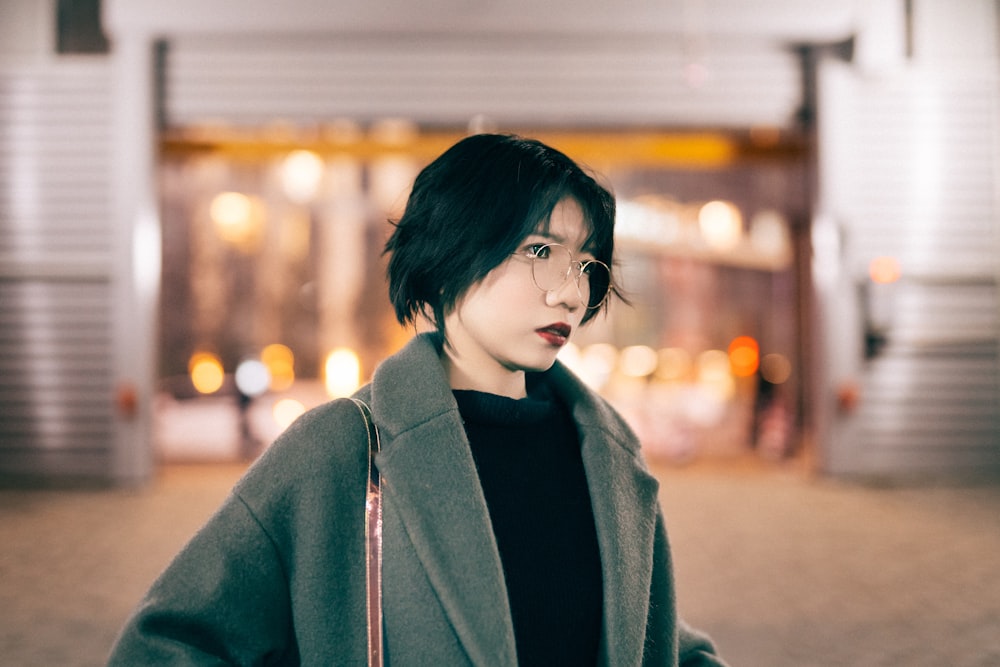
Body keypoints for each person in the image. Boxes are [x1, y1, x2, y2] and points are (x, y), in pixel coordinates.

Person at [107, 133, 728, 666]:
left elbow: (652, 639)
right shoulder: (343, 448)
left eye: (588, 264)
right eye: (540, 251)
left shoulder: (608, 457)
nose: (571, 293)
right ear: (451, 255)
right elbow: (168, 643)